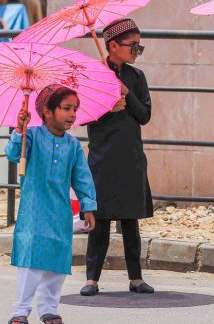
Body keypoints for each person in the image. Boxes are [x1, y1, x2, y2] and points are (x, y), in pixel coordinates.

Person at [5, 84, 97, 324]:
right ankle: (20, 311)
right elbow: (13, 155)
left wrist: (88, 206)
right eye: (66, 108)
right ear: (47, 111)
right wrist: (19, 130)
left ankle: (49, 309)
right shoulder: (31, 136)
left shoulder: (73, 146)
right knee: (31, 261)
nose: (72, 114)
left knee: (57, 261)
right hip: (34, 212)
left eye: (75, 109)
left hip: (59, 212)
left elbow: (82, 178)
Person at [80, 18, 154, 296]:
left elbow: (144, 115)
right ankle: (92, 278)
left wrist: (126, 94)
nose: (136, 50)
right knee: (99, 219)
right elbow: (82, 115)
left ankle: (136, 277)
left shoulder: (137, 78)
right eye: (132, 45)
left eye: (139, 45)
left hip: (131, 156)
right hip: (103, 158)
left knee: (130, 220)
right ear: (112, 46)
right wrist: (106, 108)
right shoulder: (94, 75)